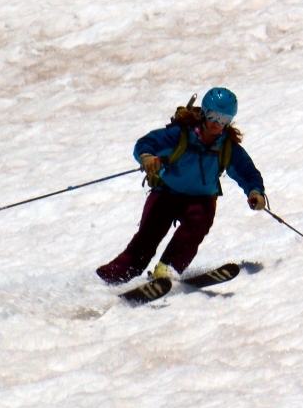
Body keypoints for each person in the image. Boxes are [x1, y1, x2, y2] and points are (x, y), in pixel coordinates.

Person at [96, 88, 266, 285]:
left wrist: (256, 192)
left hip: (201, 200)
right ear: (204, 112)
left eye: (223, 119)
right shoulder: (181, 134)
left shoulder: (227, 147)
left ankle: (167, 272)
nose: (216, 124)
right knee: (146, 239)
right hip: (167, 193)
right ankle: (110, 278)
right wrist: (147, 157)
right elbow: (146, 143)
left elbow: (248, 172)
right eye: (212, 116)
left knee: (193, 231)